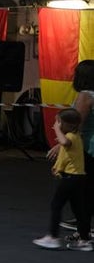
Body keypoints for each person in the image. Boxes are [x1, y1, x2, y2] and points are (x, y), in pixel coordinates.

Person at [49, 60, 94, 248]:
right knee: (88, 191)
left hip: (88, 149)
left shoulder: (85, 96)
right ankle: (83, 232)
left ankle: (82, 232)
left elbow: (76, 123)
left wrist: (60, 144)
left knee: (81, 191)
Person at [34, 108, 89, 250]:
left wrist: (57, 130)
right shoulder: (75, 136)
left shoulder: (71, 136)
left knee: (56, 205)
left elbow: (64, 143)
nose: (55, 125)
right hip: (77, 178)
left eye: (58, 122)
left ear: (68, 125)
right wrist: (58, 167)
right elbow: (67, 157)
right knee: (78, 209)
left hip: (71, 178)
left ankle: (52, 237)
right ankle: (84, 240)